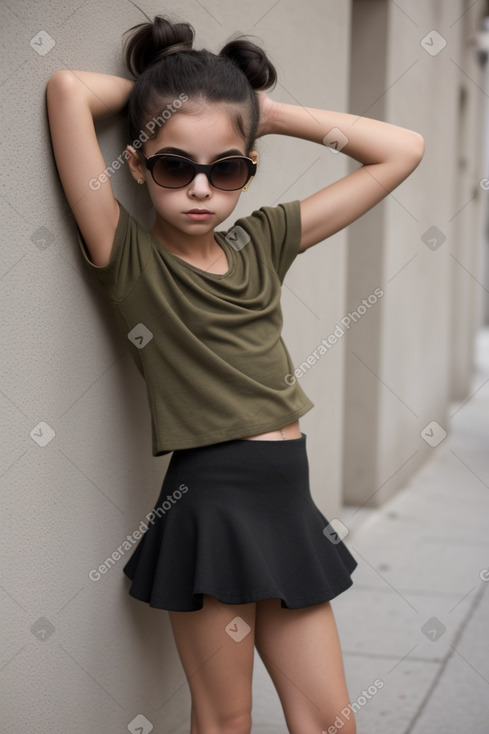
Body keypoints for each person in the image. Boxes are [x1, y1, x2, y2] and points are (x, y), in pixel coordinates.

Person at [46, 13, 424, 734]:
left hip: (288, 498)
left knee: (329, 723)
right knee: (227, 721)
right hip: (211, 503)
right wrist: (173, 98)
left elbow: (401, 150)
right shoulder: (129, 258)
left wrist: (268, 113)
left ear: (249, 168)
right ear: (136, 164)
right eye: (172, 165)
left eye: (225, 168)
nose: (199, 188)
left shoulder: (263, 240)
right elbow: (67, 90)